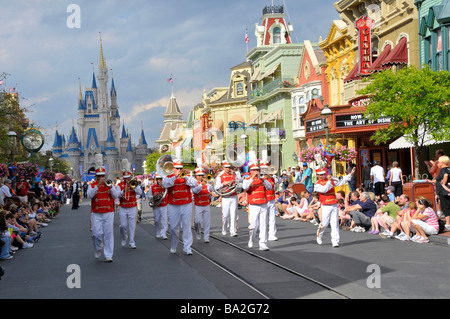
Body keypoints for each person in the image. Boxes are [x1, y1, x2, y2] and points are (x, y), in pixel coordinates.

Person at [162, 159, 198, 255]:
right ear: (173, 168)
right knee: (173, 227)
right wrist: (174, 177)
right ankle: (174, 245)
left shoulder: (187, 177)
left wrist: (185, 177)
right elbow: (165, 185)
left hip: (186, 204)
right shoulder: (168, 177)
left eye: (180, 168)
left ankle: (187, 247)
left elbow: (194, 184)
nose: (179, 170)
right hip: (173, 205)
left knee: (187, 226)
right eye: (177, 168)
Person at [314, 166, 356, 247]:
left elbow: (341, 180)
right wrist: (329, 181)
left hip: (334, 204)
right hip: (326, 205)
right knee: (324, 223)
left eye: (324, 174)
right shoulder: (317, 185)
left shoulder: (330, 180)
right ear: (318, 175)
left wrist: (350, 174)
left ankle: (335, 241)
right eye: (321, 174)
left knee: (335, 223)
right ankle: (319, 235)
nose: (323, 175)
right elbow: (324, 190)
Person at [87, 166, 119, 262]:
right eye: (99, 176)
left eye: (102, 176)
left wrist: (110, 188)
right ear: (96, 176)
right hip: (96, 213)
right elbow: (90, 195)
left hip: (108, 212)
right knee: (96, 234)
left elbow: (115, 196)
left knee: (108, 233)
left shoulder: (110, 184)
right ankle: (98, 248)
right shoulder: (92, 186)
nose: (101, 178)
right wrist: (97, 186)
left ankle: (108, 255)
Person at [242, 162, 272, 251]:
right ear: (250, 171)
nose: (256, 172)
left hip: (263, 203)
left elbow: (270, 188)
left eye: (257, 170)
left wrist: (264, 180)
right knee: (254, 225)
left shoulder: (262, 180)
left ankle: (263, 243)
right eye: (254, 170)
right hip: (253, 205)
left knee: (263, 224)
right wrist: (252, 177)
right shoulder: (247, 179)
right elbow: (245, 187)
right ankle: (251, 238)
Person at [117, 170, 143, 249]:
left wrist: (134, 187)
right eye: (125, 178)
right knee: (123, 225)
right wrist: (123, 191)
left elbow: (140, 192)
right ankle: (124, 237)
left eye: (128, 178)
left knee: (132, 225)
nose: (127, 180)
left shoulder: (134, 183)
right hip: (123, 207)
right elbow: (117, 195)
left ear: (130, 177)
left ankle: (132, 241)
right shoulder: (120, 185)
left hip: (132, 207)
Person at [214, 161, 240, 237]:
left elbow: (240, 181)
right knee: (225, 215)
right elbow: (216, 187)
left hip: (233, 196)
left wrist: (236, 174)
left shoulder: (234, 175)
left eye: (229, 167)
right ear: (223, 167)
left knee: (234, 213)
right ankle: (224, 228)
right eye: (226, 167)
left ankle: (233, 231)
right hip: (225, 197)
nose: (228, 169)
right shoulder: (220, 176)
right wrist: (224, 184)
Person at [191, 167, 214, 243]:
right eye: (199, 175)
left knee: (207, 222)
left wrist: (211, 183)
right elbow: (196, 191)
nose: (201, 177)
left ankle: (206, 237)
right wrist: (201, 184)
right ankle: (198, 232)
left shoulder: (206, 184)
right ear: (196, 176)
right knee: (197, 222)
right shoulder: (195, 183)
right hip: (198, 205)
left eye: (202, 175)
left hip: (206, 204)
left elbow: (212, 189)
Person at [147, 174, 168, 239]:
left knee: (165, 220)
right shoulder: (152, 187)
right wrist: (154, 197)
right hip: (156, 205)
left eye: (160, 179)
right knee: (156, 220)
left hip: (164, 205)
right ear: (155, 180)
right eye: (157, 179)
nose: (159, 181)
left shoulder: (165, 187)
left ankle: (163, 233)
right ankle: (158, 232)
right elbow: (149, 196)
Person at [436, 155, 450, 230]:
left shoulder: (443, 169)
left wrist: (443, 183)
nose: (438, 164)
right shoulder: (449, 168)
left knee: (446, 206)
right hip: (446, 190)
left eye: (438, 162)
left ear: (442, 162)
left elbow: (445, 175)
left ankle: (448, 223)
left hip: (444, 191)